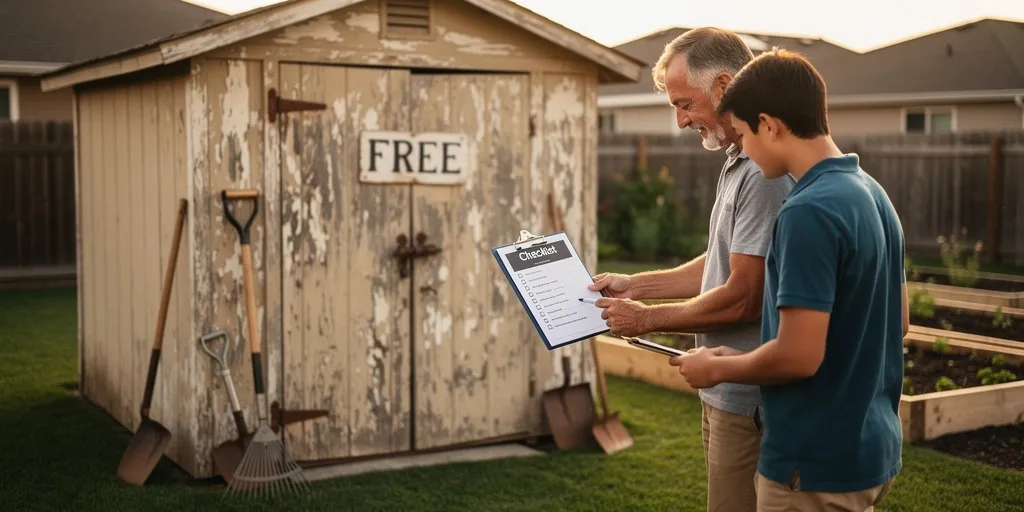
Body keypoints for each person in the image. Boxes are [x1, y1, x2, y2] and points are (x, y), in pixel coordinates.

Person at [671, 47, 909, 512]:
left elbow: (799, 356)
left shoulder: (807, 210)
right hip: (870, 450)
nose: (746, 150)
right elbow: (896, 321)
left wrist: (717, 367)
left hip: (810, 459)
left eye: (742, 133)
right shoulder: (874, 194)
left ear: (770, 124)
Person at [589, 27, 794, 512]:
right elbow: (722, 261)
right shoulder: (739, 160)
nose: (680, 121)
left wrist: (645, 320)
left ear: (723, 87)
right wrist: (636, 284)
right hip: (728, 392)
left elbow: (743, 294)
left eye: (684, 103)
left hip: (753, 399)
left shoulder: (766, 174)